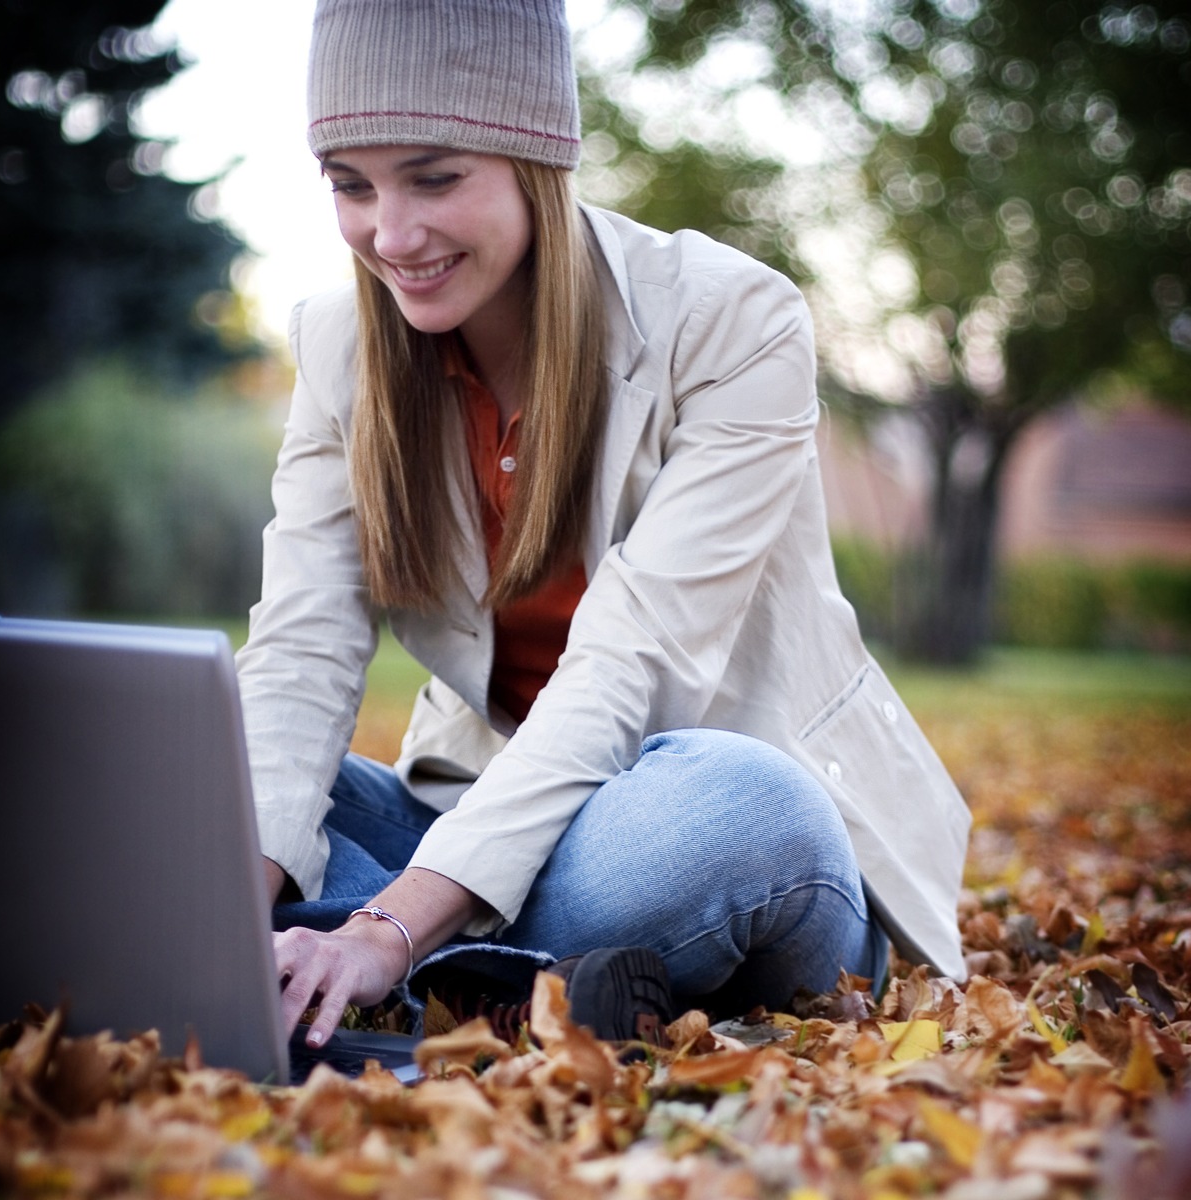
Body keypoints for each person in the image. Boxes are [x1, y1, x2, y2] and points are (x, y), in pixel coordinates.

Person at [236, 0, 971, 1052]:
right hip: (482, 816)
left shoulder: (734, 321)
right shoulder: (338, 347)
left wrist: (387, 923)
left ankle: (410, 973)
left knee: (732, 808)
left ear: (537, 156)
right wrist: (227, 898)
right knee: (209, 786)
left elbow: (634, 663)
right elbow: (302, 652)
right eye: (352, 186)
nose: (390, 236)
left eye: (435, 178)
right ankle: (516, 989)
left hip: (679, 816)